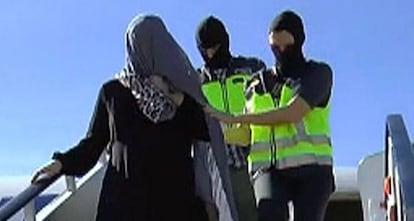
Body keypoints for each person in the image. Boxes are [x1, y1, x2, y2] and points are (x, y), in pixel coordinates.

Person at [31, 14, 238, 221]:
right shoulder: (112, 92)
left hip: (173, 205)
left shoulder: (183, 88)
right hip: (123, 207)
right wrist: (61, 163)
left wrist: (174, 95)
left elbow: (206, 130)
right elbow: (93, 144)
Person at [206, 10, 335, 221]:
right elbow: (247, 135)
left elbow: (293, 113)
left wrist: (236, 118)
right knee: (268, 213)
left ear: (300, 41)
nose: (282, 50)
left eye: (287, 46)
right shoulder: (255, 84)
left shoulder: (318, 74)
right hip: (268, 170)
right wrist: (214, 132)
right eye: (275, 46)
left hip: (312, 170)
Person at [195, 16, 266, 221]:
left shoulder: (252, 69)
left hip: (252, 163)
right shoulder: (195, 80)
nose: (211, 53)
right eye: (205, 49)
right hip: (216, 169)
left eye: (215, 47)